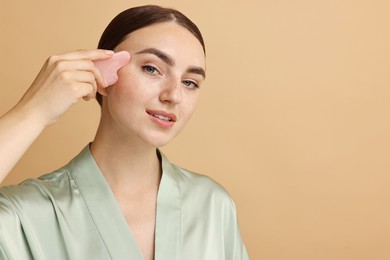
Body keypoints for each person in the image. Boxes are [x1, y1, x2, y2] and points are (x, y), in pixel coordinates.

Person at [0, 5, 249, 260]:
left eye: (190, 82)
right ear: (104, 74)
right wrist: (34, 111)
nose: (174, 95)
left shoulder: (212, 205)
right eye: (152, 69)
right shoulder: (23, 214)